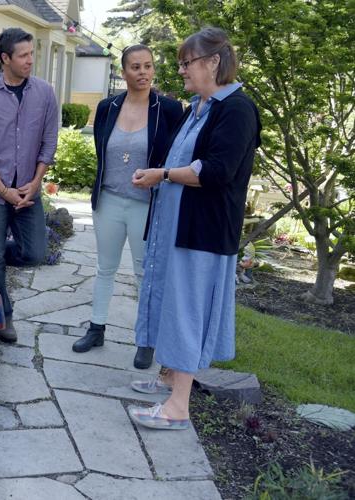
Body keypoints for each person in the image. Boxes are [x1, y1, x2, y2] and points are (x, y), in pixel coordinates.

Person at [127, 27, 261, 430]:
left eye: (187, 63)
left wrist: (162, 174)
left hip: (201, 232)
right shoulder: (199, 107)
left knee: (185, 309)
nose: (181, 70)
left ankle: (177, 407)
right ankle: (169, 376)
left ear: (213, 62)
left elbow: (217, 171)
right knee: (170, 300)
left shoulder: (236, 109)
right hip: (176, 227)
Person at [71, 45, 183, 371]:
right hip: (108, 200)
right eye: (135, 67)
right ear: (124, 73)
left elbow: (177, 156)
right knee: (105, 268)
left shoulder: (170, 109)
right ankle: (96, 328)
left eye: (148, 66)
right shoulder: (107, 107)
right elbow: (101, 150)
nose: (143, 72)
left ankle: (146, 339)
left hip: (146, 206)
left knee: (142, 273)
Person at [0, 27, 58, 343]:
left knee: (34, 253)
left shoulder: (45, 93)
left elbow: (48, 143)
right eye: (23, 55)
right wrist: (4, 190)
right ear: (5, 58)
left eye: (32, 54)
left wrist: (34, 184)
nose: (30, 60)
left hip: (28, 191)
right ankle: (5, 315)